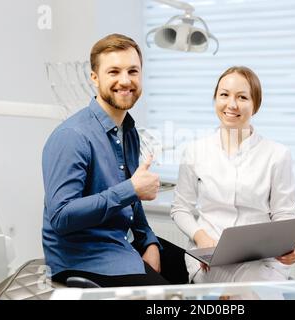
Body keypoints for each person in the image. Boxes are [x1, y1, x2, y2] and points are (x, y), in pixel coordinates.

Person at [42, 33, 187, 287]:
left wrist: (148, 240)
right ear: (94, 78)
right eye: (114, 72)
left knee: (196, 273)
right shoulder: (72, 136)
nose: (125, 80)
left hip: (118, 245)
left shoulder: (129, 132)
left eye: (133, 71)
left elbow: (132, 201)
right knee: (172, 299)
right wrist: (130, 189)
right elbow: (62, 217)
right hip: (84, 259)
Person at [170, 66, 295, 284]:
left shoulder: (277, 154)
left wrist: (289, 247)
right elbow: (180, 208)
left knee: (251, 287)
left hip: (261, 260)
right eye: (224, 95)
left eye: (242, 97)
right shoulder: (194, 151)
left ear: (255, 105)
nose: (231, 104)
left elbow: (284, 214)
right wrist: (202, 238)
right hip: (209, 256)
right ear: (215, 99)